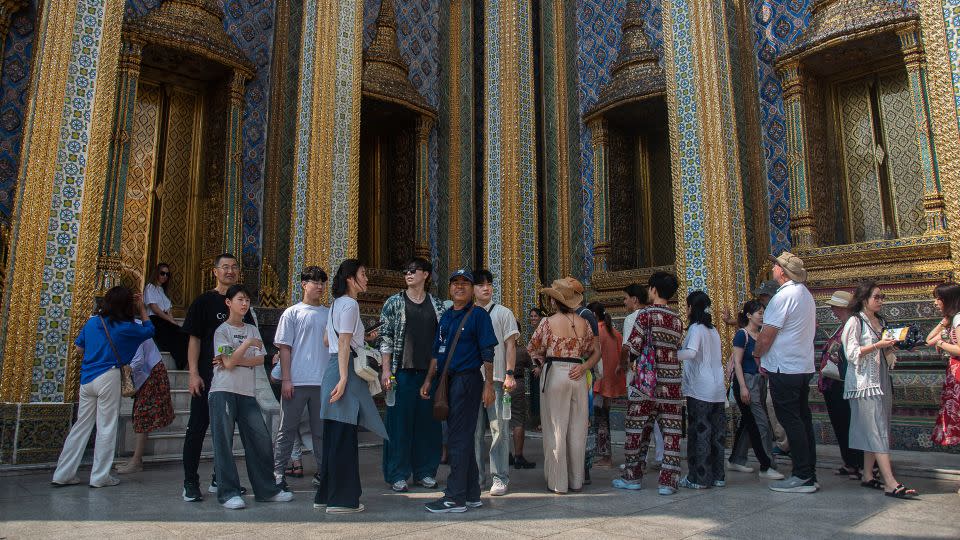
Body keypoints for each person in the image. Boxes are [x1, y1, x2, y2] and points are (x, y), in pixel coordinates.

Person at [52, 287, 155, 488]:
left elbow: (79, 347)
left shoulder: (92, 323)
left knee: (81, 426)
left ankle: (63, 474)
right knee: (106, 426)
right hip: (109, 376)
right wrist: (142, 309)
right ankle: (100, 476)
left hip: (87, 378)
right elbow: (150, 331)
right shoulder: (126, 327)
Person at [208, 285, 294, 509]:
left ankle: (266, 490)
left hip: (247, 393)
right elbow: (227, 364)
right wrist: (245, 345)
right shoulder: (222, 331)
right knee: (223, 443)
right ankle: (228, 493)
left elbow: (258, 360)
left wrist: (235, 360)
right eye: (240, 299)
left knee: (260, 440)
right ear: (229, 302)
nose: (244, 304)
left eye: (247, 300)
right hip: (223, 391)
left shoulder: (253, 329)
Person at [314, 259, 388, 514]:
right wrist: (344, 378)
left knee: (335, 435)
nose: (367, 278)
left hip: (332, 368)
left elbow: (328, 340)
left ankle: (325, 496)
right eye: (363, 273)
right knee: (344, 437)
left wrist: (361, 337)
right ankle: (342, 500)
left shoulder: (335, 305)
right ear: (350, 279)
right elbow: (343, 342)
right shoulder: (351, 304)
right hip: (343, 371)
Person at [180, 253, 256, 502]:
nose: (230, 271)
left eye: (234, 267)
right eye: (225, 267)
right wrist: (193, 374)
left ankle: (219, 478)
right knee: (197, 428)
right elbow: (194, 340)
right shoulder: (204, 302)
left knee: (225, 431)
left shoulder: (242, 304)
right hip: (207, 375)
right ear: (215, 271)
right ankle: (190, 482)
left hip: (233, 378)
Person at [422, 268, 498, 513]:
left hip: (467, 380)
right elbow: (437, 352)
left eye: (466, 283)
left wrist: (488, 385)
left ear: (473, 289)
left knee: (458, 438)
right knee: (459, 435)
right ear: (450, 288)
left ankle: (454, 497)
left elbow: (488, 352)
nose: (460, 287)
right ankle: (472, 493)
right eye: (455, 283)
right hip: (447, 380)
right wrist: (427, 380)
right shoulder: (445, 317)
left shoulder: (478, 316)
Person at [842, 281, 917, 498]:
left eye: (882, 297)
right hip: (864, 383)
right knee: (877, 429)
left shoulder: (881, 321)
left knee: (876, 425)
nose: (880, 301)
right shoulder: (855, 322)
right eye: (876, 297)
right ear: (864, 299)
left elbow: (885, 345)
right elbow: (852, 353)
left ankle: (867, 474)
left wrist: (894, 346)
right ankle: (889, 481)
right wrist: (877, 346)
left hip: (881, 377)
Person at [528, 278, 600, 494]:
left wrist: (540, 360)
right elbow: (596, 352)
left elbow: (533, 347)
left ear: (554, 301)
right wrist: (585, 366)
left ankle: (558, 483)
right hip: (578, 374)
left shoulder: (547, 322)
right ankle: (576, 481)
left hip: (556, 374)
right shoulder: (583, 322)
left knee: (555, 428)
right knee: (578, 430)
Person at [614, 271, 683, 495]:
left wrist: (625, 365)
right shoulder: (677, 319)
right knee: (671, 433)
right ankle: (668, 481)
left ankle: (632, 476)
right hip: (671, 382)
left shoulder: (645, 315)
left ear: (653, 289)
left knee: (636, 429)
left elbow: (631, 346)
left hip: (647, 383)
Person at [379, 257, 445, 493]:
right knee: (399, 425)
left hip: (429, 374)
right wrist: (386, 370)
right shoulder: (394, 303)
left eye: (413, 270)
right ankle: (397, 473)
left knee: (428, 426)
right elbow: (385, 337)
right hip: (402, 372)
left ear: (425, 274)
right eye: (405, 270)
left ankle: (425, 472)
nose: (408, 273)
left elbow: (442, 341)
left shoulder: (437, 305)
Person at [754, 251, 818, 493]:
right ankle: (809, 471)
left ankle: (802, 475)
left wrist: (757, 354)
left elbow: (767, 335)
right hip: (801, 366)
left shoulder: (784, 297)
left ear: (782, 271)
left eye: (775, 267)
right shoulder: (805, 295)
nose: (773, 270)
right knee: (802, 419)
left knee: (791, 421)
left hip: (784, 367)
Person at [272, 266, 330, 490]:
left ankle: (323, 473)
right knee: (286, 429)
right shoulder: (292, 313)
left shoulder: (329, 313)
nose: (319, 286)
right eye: (314, 282)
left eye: (322, 282)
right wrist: (286, 379)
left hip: (322, 382)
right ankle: (278, 473)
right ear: (303, 284)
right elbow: (285, 348)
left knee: (320, 432)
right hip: (296, 381)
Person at [472, 269, 519, 496]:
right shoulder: (468, 313)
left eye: (489, 283)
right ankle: (476, 477)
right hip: (472, 381)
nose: (486, 287)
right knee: (474, 432)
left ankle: (500, 477)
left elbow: (511, 345)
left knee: (499, 430)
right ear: (473, 289)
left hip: (498, 379)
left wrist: (510, 373)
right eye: (480, 284)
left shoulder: (503, 313)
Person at [727, 300, 783, 480]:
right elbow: (737, 362)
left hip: (759, 381)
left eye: (763, 312)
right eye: (759, 312)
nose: (762, 315)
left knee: (747, 423)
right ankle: (767, 465)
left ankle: (736, 459)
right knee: (762, 424)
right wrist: (743, 387)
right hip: (747, 381)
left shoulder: (761, 334)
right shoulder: (742, 335)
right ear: (749, 315)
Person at [678, 291, 727, 489]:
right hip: (716, 388)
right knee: (716, 433)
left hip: (700, 388)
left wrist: (670, 355)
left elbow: (691, 353)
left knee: (699, 431)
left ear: (691, 307)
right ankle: (718, 475)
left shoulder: (696, 329)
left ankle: (698, 478)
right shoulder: (713, 330)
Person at [818, 290, 863, 479]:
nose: (832, 310)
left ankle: (861, 463)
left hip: (845, 381)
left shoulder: (854, 325)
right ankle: (850, 461)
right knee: (841, 424)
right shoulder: (841, 326)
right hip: (833, 383)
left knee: (851, 423)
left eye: (835, 306)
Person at [115, 335, 175, 474]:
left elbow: (138, 360)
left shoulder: (133, 329)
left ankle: (136, 460)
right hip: (147, 375)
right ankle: (136, 459)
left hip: (151, 375)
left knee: (143, 415)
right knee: (141, 414)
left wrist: (124, 372)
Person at [621, 284, 665, 468]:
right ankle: (661, 456)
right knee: (657, 419)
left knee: (638, 419)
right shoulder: (655, 315)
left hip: (638, 373)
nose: (624, 302)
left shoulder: (632, 318)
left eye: (625, 298)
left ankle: (639, 459)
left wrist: (623, 367)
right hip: (659, 372)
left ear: (635, 299)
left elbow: (627, 348)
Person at [589, 301, 625, 468]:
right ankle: (605, 455)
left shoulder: (597, 333)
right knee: (605, 418)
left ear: (594, 315)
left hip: (599, 383)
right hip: (612, 382)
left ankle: (605, 457)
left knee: (600, 420)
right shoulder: (615, 333)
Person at [928, 282, 960, 457]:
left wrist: (942, 343)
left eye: (938, 298)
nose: (935, 302)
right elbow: (929, 339)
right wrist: (944, 321)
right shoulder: (953, 320)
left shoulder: (959, 320)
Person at [144, 263, 188, 369]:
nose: (164, 276)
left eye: (167, 274)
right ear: (157, 273)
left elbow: (169, 311)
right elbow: (155, 309)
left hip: (164, 320)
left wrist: (172, 321)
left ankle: (184, 362)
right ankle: (182, 363)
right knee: (176, 336)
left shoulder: (163, 291)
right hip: (155, 320)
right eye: (162, 273)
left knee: (184, 334)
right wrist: (170, 320)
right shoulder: (150, 287)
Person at [510, 323, 536, 469]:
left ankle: (504, 454)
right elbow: (532, 366)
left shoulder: (498, 349)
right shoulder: (521, 350)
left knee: (501, 421)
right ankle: (518, 456)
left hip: (500, 384)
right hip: (517, 384)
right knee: (518, 420)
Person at [528, 308, 546, 429]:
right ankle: (538, 420)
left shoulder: (543, 331)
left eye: (535, 316)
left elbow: (546, 350)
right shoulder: (534, 331)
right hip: (534, 367)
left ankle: (543, 422)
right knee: (536, 394)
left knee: (542, 395)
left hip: (542, 367)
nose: (533, 318)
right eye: (531, 316)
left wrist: (540, 367)